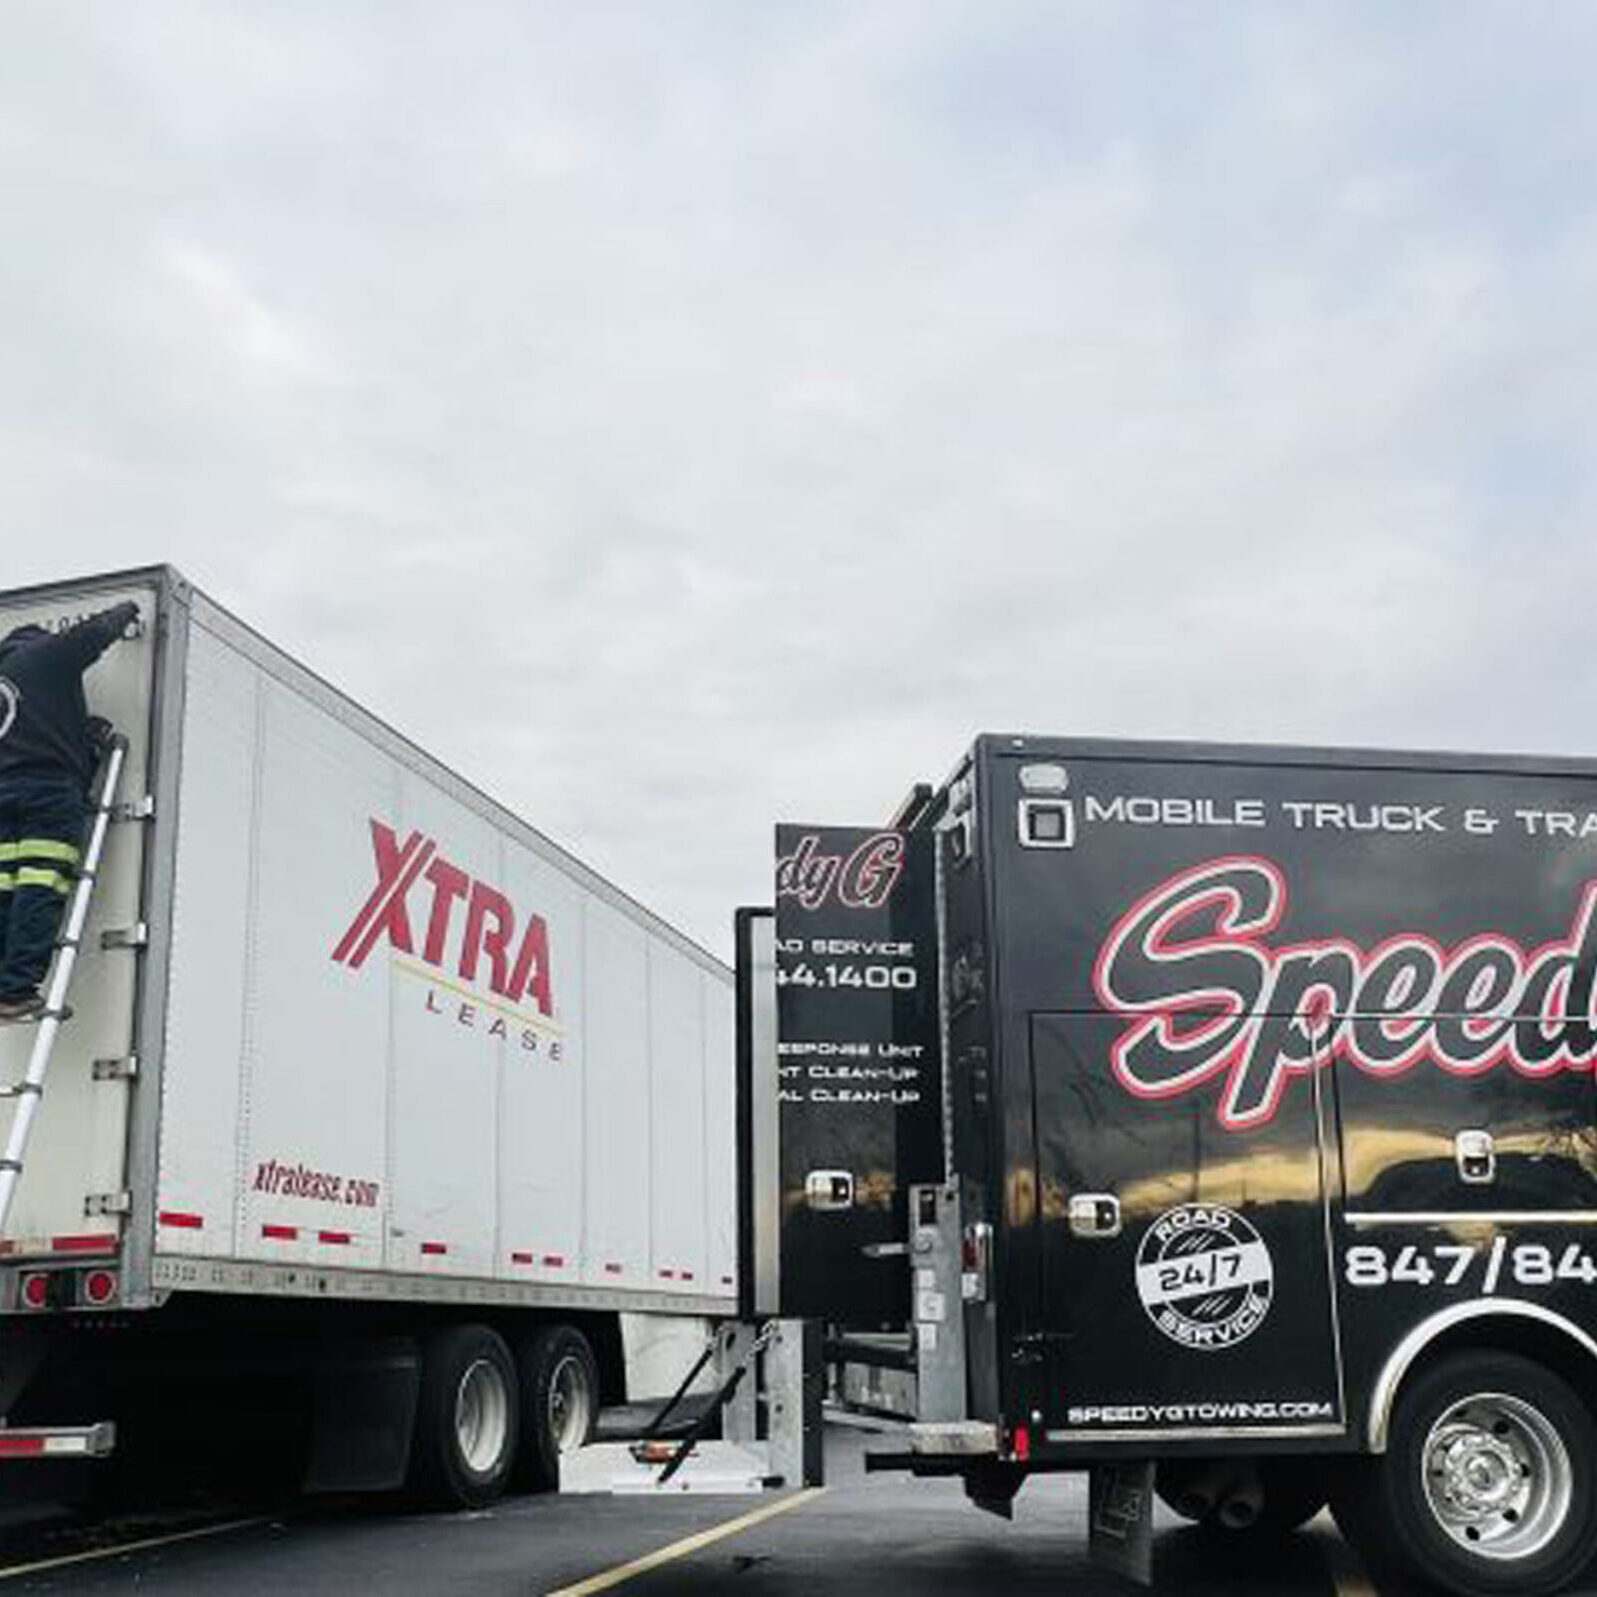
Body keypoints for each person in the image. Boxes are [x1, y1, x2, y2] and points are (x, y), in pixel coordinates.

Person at [0, 600, 141, 1021]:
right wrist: (126, 612)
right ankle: (14, 991)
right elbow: (88, 636)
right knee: (40, 884)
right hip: (45, 792)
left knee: (4, 890)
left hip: (3, 795)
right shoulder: (43, 658)